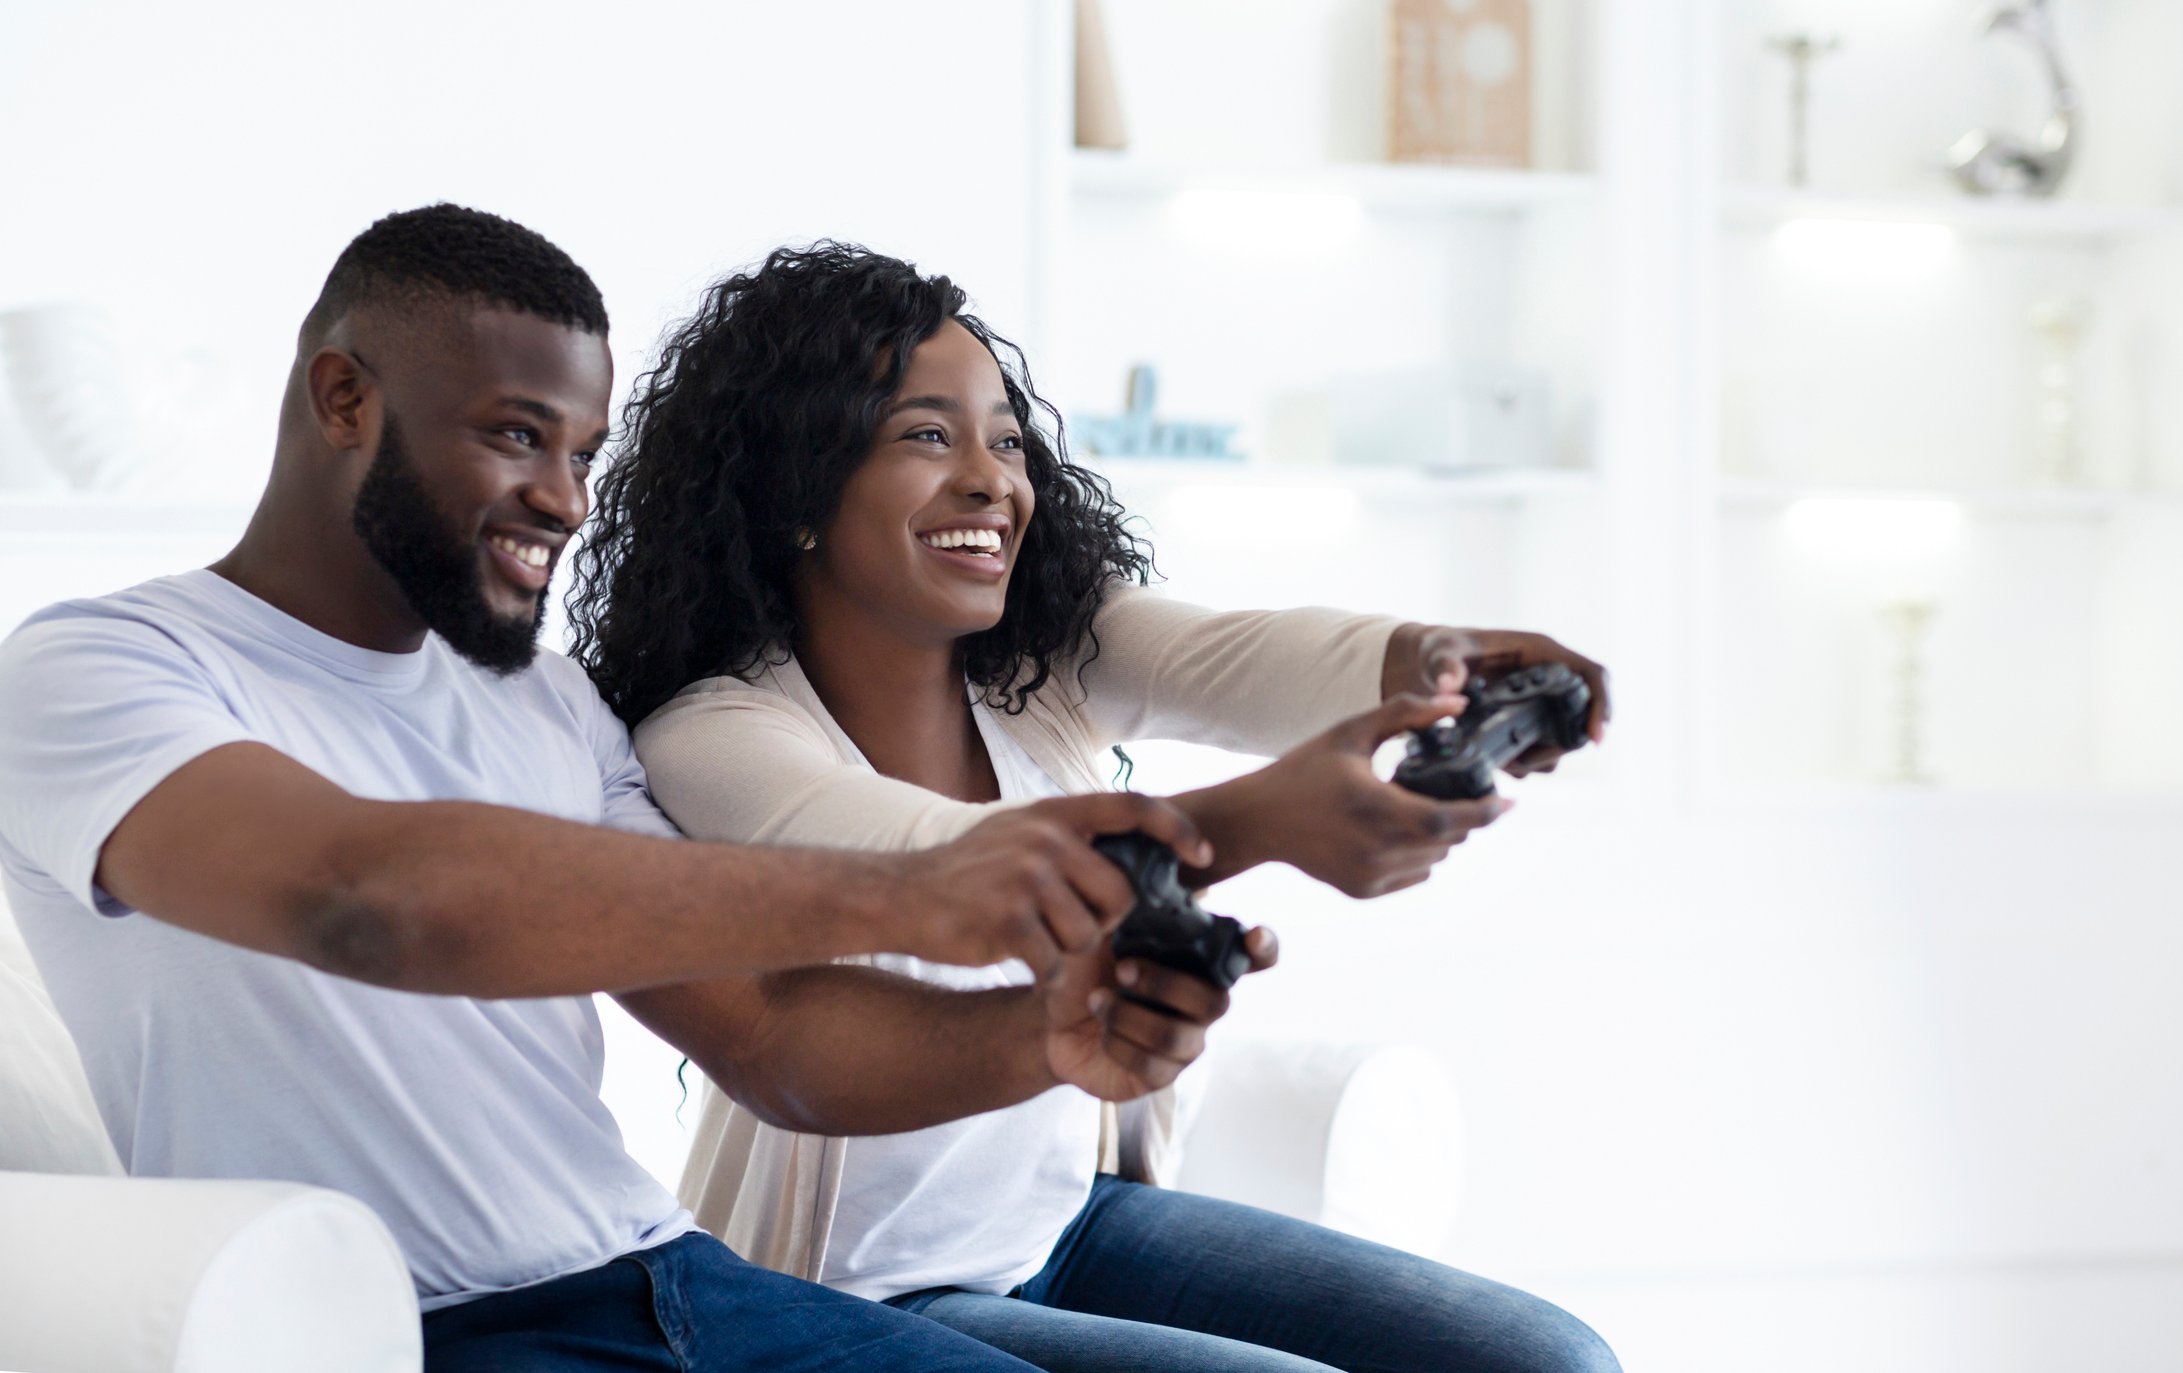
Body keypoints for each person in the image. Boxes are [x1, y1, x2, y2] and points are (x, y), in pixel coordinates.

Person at [0, 205, 1282, 1373]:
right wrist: (917, 890)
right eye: (515, 434)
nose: (561, 499)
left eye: (583, 451)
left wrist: (1044, 1039)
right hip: (425, 1329)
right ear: (344, 397)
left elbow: (776, 1043)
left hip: (675, 1279)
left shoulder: (545, 700)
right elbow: (370, 898)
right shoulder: (101, 665)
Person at [570, 242, 1622, 1373]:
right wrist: (1266, 821)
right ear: (794, 493)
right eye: (928, 434)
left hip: (1067, 1227)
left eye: (1007, 440)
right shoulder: (712, 735)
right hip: (867, 1288)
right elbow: (942, 865)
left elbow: (1242, 655)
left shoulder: (1044, 662)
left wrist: (1436, 660)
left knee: (1546, 1358)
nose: (991, 480)